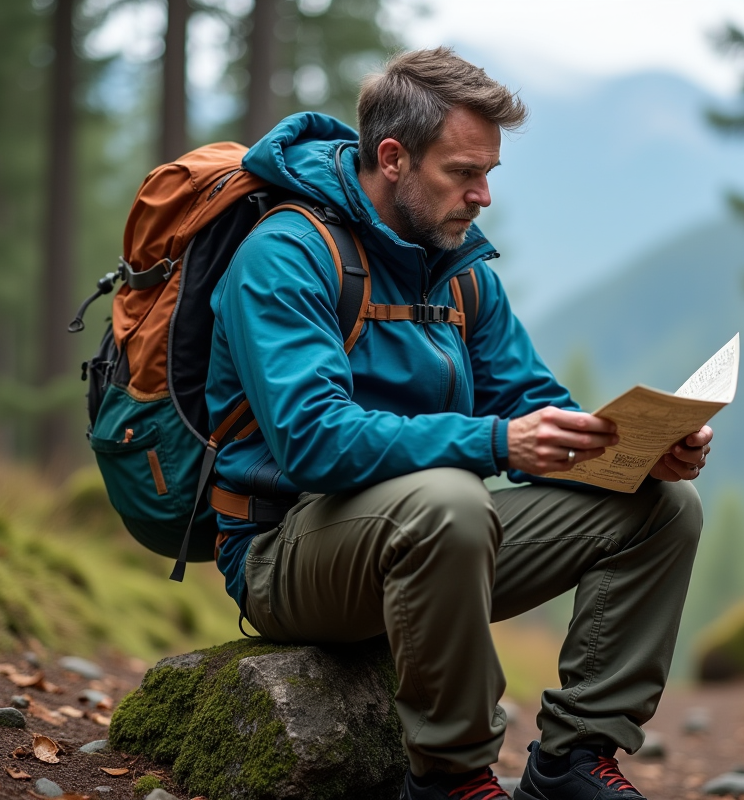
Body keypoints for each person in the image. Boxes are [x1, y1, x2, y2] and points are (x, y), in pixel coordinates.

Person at [205, 47, 712, 800]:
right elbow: (314, 439)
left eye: (489, 175)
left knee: (662, 509)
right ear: (393, 157)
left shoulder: (462, 272)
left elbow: (530, 402)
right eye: (463, 173)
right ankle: (450, 778)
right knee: (450, 499)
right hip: (290, 554)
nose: (482, 196)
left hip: (436, 544)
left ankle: (573, 762)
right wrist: (494, 443)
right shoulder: (285, 255)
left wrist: (635, 450)